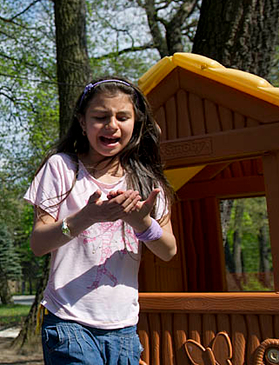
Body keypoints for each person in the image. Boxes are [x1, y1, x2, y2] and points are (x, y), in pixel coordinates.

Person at [24, 77, 177, 364]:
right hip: (69, 324)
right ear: (83, 123)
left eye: (122, 117)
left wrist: (142, 224)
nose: (112, 125)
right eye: (100, 117)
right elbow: (38, 243)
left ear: (137, 123)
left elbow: (168, 251)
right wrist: (86, 217)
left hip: (124, 329)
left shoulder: (147, 181)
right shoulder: (62, 168)